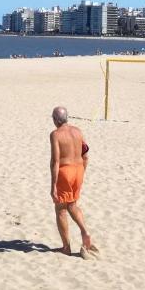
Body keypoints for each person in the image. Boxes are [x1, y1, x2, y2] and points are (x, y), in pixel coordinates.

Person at [49, 106, 98, 257]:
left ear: (56, 120)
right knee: (73, 204)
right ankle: (85, 231)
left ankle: (66, 248)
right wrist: (83, 171)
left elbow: (56, 161)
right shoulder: (78, 131)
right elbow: (86, 154)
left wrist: (53, 186)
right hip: (79, 170)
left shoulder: (55, 135)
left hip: (65, 171)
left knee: (60, 209)